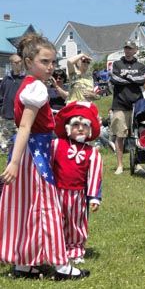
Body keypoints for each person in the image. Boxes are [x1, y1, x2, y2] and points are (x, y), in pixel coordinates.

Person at [0, 33, 88, 280]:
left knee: (26, 206)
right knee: (47, 206)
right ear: (29, 62)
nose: (50, 67)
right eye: (44, 62)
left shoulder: (27, 85)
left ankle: (24, 263)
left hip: (27, 152)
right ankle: (61, 265)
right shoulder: (36, 87)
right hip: (34, 154)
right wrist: (16, 162)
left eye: (52, 62)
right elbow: (25, 127)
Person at [53, 101, 103, 264]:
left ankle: (75, 249)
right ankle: (57, 247)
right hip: (57, 192)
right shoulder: (57, 145)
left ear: (89, 130)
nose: (80, 128)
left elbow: (95, 174)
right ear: (68, 128)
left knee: (76, 222)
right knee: (56, 219)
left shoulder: (92, 152)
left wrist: (94, 196)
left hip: (78, 195)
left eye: (84, 125)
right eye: (76, 125)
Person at [110, 40, 145, 174]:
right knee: (120, 135)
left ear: (135, 50)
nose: (128, 51)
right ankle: (120, 165)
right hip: (120, 104)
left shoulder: (141, 65)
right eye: (126, 48)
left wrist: (127, 77)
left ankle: (137, 163)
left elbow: (142, 80)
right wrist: (132, 79)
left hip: (138, 104)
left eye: (131, 49)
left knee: (137, 135)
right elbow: (114, 79)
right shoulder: (117, 64)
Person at [0, 54, 24, 154]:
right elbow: (1, 97)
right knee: (5, 145)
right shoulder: (6, 79)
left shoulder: (25, 79)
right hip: (6, 117)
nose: (19, 64)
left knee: (20, 145)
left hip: (20, 118)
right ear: (11, 64)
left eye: (20, 62)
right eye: (16, 62)